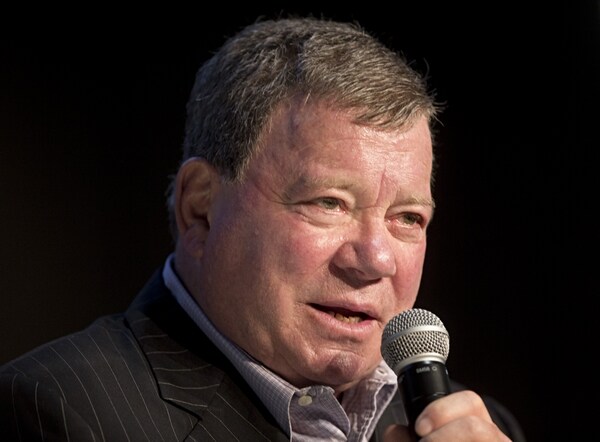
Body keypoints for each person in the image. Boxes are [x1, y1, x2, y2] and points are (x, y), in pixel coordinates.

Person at [0, 16, 526, 441]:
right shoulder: (57, 411)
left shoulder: (477, 427)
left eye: (407, 218)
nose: (376, 259)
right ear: (201, 209)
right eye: (329, 203)